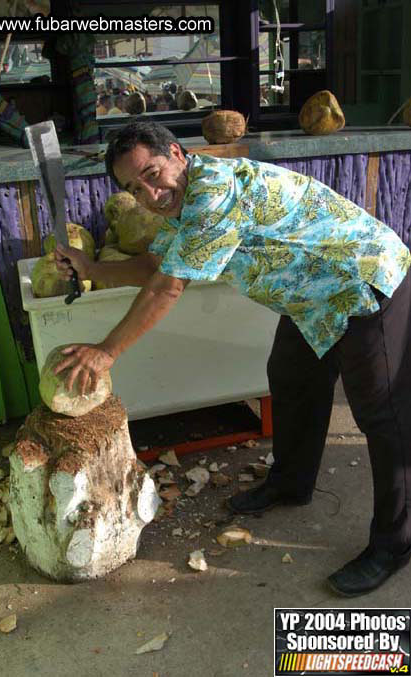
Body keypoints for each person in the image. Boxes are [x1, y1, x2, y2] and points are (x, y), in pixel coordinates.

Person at [54, 120, 411, 597]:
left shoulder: (213, 192)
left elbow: (168, 287)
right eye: (134, 188)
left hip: (364, 281)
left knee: (385, 417)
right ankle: (290, 482)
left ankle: (396, 542)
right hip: (312, 299)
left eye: (153, 174)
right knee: (290, 377)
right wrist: (92, 268)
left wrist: (106, 351)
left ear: (178, 154)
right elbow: (157, 266)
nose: (151, 194)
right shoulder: (183, 202)